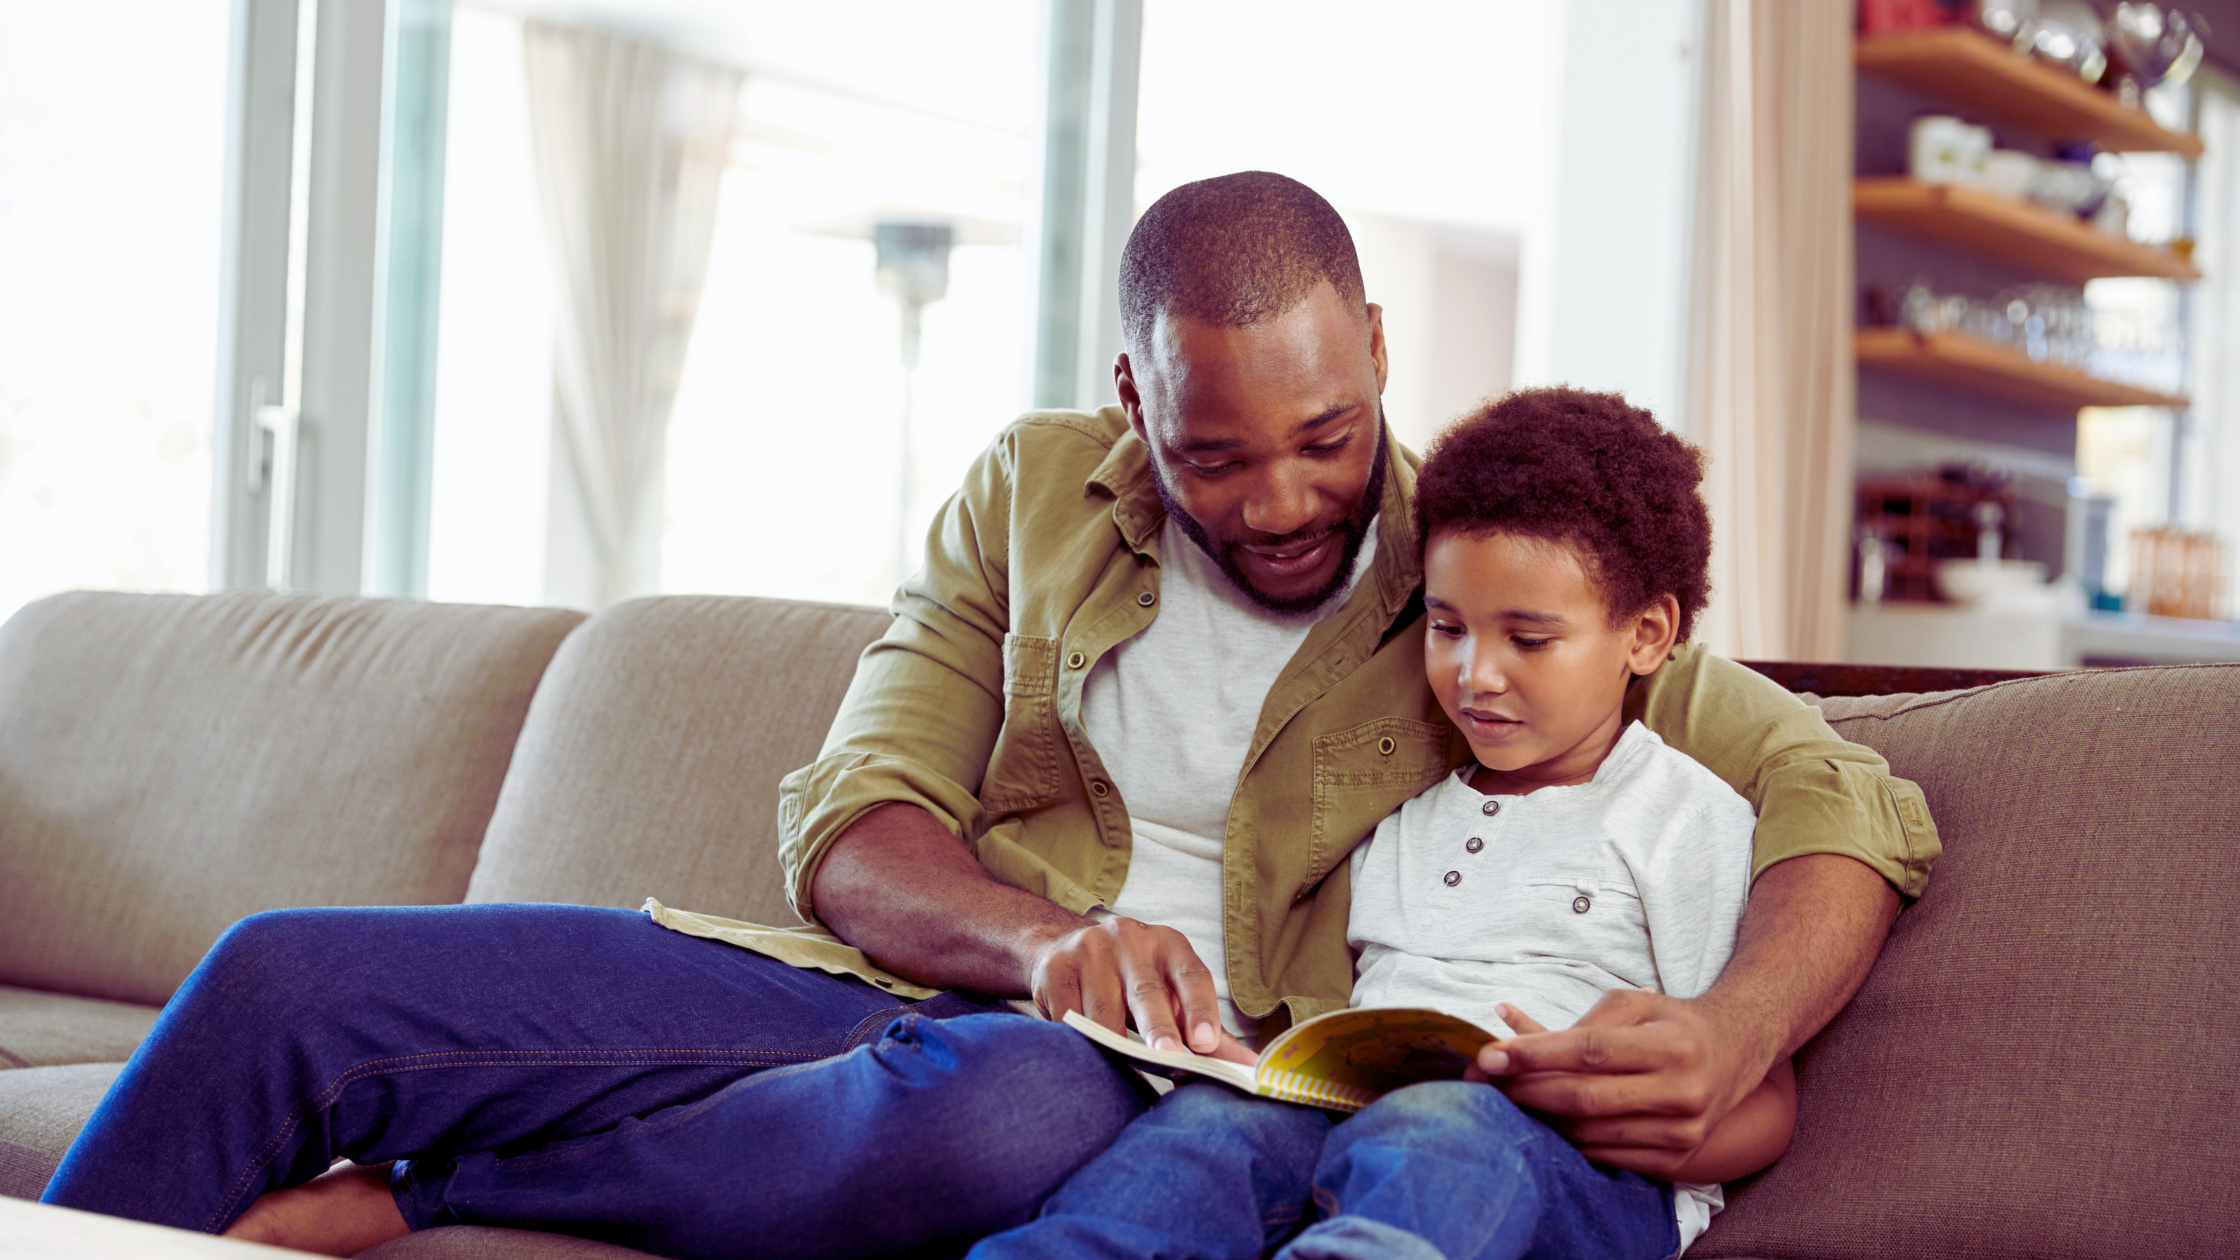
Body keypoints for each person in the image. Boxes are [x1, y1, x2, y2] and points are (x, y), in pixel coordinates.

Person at [43, 172, 1936, 1259]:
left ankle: (439, 1177)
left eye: (1328, 440)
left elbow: (1843, 794)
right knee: (290, 979)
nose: (1280, 502)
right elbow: (856, 815)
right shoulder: (1028, 497)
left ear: (1377, 350)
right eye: (1212, 454)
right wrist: (1043, 943)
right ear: (1129, 394)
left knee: (1009, 1125)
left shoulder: (1490, 588)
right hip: (911, 996)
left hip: (1173, 1084)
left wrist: (1733, 1030)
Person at [972, 388, 1791, 1260]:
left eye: (1530, 640)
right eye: (1447, 628)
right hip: (1359, 1122)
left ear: (1647, 635)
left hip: (1574, 1171)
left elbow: (1765, 1100)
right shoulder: (1404, 813)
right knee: (1205, 1130)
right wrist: (1263, 1069)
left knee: (1447, 1129)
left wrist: (1608, 1111)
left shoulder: (1683, 817)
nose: (1476, 675)